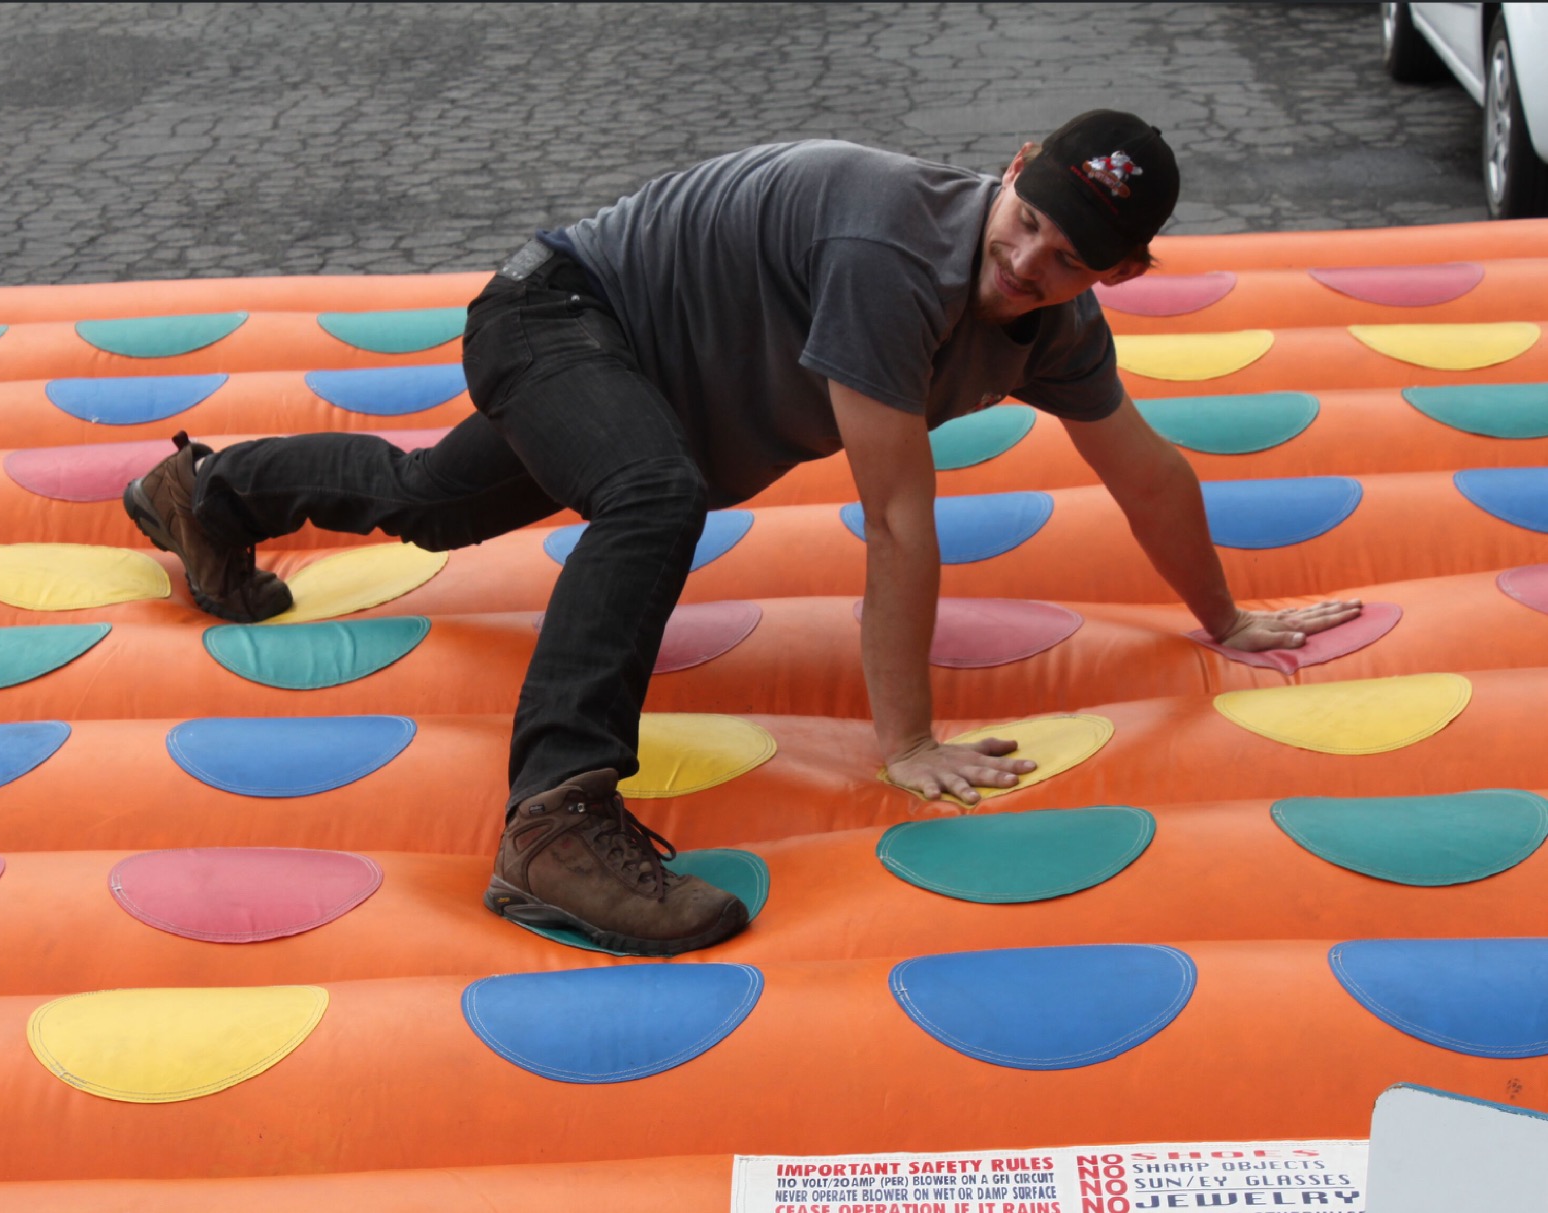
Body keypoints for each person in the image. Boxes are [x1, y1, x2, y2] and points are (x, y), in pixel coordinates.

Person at [123, 110, 1360, 958]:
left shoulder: (1058, 327)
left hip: (629, 385)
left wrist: (1227, 620)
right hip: (558, 312)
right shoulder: (893, 245)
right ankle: (553, 819)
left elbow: (1142, 473)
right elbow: (892, 514)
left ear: (1123, 274)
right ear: (1017, 164)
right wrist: (908, 740)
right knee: (653, 495)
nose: (1028, 258)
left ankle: (211, 494)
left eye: (1069, 257)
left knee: (430, 503)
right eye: (1027, 218)